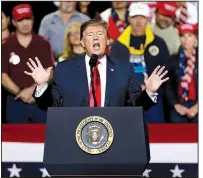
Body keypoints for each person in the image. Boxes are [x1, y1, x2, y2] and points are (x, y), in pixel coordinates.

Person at [24, 20, 169, 113]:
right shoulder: (64, 69)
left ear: (108, 41)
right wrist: (42, 86)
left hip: (115, 137)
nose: (95, 38)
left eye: (100, 34)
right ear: (82, 42)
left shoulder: (124, 69)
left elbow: (136, 107)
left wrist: (149, 92)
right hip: (74, 137)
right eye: (90, 35)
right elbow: (50, 106)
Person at [110, 2, 171, 122]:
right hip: (128, 99)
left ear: (148, 18)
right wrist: (135, 88)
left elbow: (166, 71)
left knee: (156, 133)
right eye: (135, 17)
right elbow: (114, 72)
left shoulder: (158, 43)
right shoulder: (118, 44)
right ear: (129, 18)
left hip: (154, 96)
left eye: (142, 17)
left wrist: (150, 88)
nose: (139, 21)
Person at [2, 4, 55, 123]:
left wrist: (33, 91)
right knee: (14, 139)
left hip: (40, 98)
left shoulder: (43, 43)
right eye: (20, 20)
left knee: (43, 137)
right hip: (15, 101)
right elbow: (3, 76)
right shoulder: (6, 45)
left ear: (33, 19)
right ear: (14, 22)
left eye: (27, 19)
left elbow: (50, 70)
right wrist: (21, 93)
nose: (25, 23)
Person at [166, 23, 198, 123]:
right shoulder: (173, 59)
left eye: (189, 35)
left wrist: (197, 107)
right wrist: (176, 105)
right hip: (179, 104)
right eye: (183, 36)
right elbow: (168, 85)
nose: (186, 39)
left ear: (195, 37)